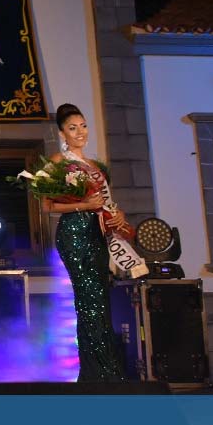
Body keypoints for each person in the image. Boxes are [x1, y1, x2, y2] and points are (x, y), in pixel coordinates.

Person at [44, 103, 127, 382]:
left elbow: (104, 202)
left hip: (97, 233)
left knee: (100, 300)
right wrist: (83, 204)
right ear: (62, 133)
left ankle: (101, 370)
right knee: (89, 300)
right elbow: (47, 206)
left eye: (83, 126)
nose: (79, 132)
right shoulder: (57, 162)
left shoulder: (95, 166)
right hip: (74, 235)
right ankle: (99, 372)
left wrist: (117, 214)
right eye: (72, 128)